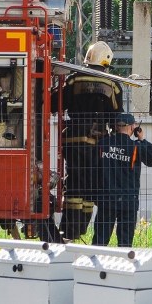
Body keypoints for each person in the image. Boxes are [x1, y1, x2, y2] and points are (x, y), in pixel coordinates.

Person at [60, 41, 123, 240]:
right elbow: (116, 117)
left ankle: (69, 230)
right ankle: (81, 229)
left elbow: (57, 102)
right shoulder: (112, 84)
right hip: (97, 141)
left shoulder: (72, 80)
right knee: (90, 185)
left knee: (74, 183)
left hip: (73, 137)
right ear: (105, 61)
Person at [93, 112, 152, 247]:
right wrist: (141, 139)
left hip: (106, 198)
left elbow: (93, 169)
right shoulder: (136, 146)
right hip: (128, 200)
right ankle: (124, 265)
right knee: (125, 242)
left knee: (100, 240)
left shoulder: (103, 144)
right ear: (133, 127)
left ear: (116, 127)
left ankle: (94, 263)